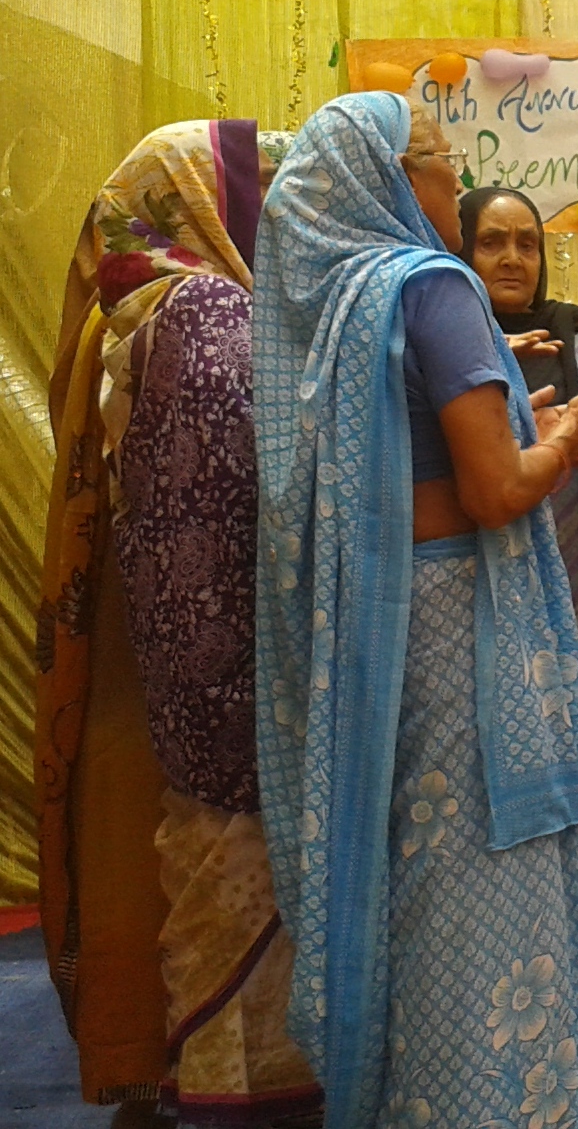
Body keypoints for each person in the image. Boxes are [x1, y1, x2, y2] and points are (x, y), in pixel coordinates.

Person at [251, 93, 578, 1129]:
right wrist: (571, 435)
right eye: (440, 159)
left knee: (423, 891)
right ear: (396, 176)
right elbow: (496, 492)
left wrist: (531, 420)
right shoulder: (432, 284)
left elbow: (415, 455)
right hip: (468, 631)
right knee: (496, 893)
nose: (454, 179)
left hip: (388, 636)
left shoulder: (336, 300)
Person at [37, 121, 318, 1128]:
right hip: (226, 673)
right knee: (229, 889)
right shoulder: (209, 316)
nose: (284, 218)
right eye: (265, 195)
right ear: (207, 201)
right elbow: (235, 511)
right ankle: (235, 1094)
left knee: (152, 861)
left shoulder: (136, 306)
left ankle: (167, 1076)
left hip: (150, 657)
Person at [456, 185, 578, 1051]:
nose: (511, 258)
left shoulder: (575, 335)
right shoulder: (441, 343)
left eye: (526, 243)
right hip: (480, 614)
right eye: (491, 241)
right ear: (461, 250)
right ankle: (511, 1036)